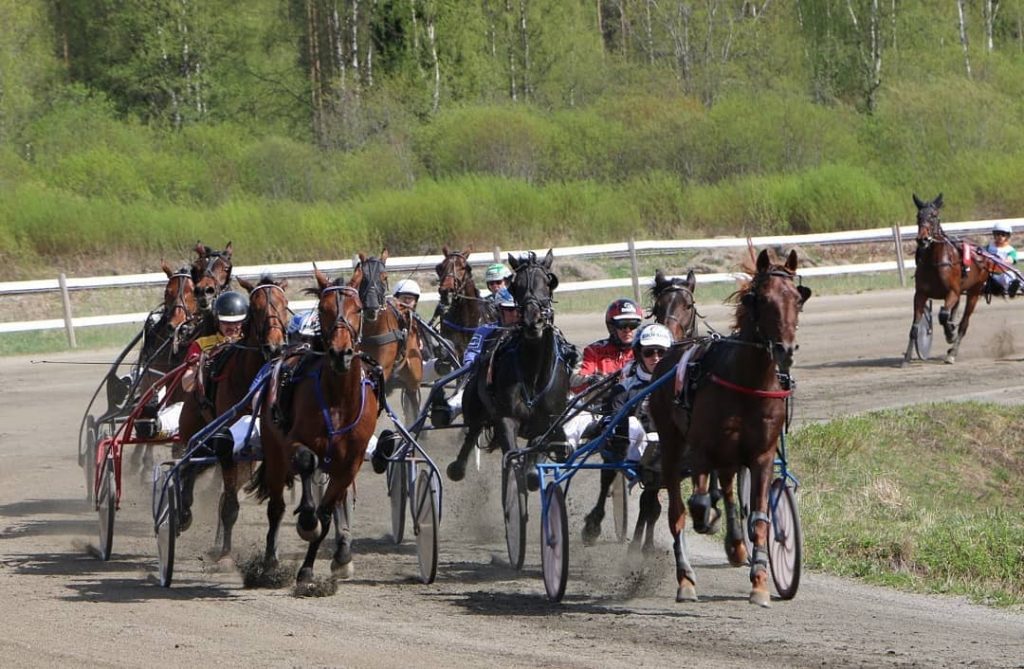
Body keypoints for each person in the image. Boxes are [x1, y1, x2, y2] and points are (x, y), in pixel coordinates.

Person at [144, 290, 248, 439]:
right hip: (202, 406)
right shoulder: (202, 344)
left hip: (242, 406)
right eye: (226, 322)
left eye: (236, 322)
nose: (232, 327)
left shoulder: (250, 347)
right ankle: (157, 424)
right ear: (217, 321)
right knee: (182, 409)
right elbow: (186, 384)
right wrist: (199, 368)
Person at [430, 288, 520, 426]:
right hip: (489, 379)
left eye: (518, 309)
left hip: (520, 381)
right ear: (499, 310)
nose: (515, 314)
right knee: (469, 389)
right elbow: (472, 351)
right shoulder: (486, 330)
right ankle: (449, 410)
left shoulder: (529, 333)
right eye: (509, 309)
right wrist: (471, 363)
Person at [569, 298, 643, 394]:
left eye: (633, 324)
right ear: (612, 326)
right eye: (622, 324)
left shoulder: (646, 352)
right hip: (600, 405)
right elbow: (574, 384)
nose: (628, 330)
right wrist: (591, 380)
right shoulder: (594, 350)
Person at [984, 222, 1020, 297]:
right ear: (994, 235)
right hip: (990, 274)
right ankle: (987, 286)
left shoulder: (1010, 250)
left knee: (1010, 275)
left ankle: (1012, 288)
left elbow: (1010, 260)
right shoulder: (989, 247)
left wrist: (1004, 261)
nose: (1000, 236)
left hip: (1002, 274)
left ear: (1007, 236)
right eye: (997, 234)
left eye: (1003, 234)